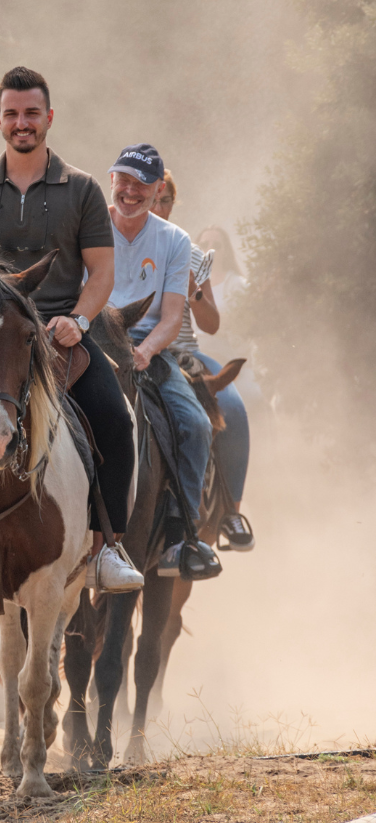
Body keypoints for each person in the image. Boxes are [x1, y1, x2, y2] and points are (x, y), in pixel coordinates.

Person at [0, 66, 143, 594]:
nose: (21, 123)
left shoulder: (85, 190)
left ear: (48, 117)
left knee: (116, 422)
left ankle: (106, 548)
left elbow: (102, 274)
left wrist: (78, 319)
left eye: (31, 113)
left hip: (59, 338)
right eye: (12, 114)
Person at [106, 146, 220, 578]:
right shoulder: (90, 221)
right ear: (111, 180)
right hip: (94, 340)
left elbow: (174, 316)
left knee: (197, 424)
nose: (130, 191)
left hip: (147, 349)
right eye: (124, 181)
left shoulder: (175, 241)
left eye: (141, 184)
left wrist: (145, 351)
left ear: (157, 191)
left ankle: (181, 535)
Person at [151, 180, 254, 550]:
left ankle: (230, 512)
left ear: (174, 202)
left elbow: (211, 324)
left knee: (233, 408)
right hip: (134, 349)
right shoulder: (117, 244)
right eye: (152, 199)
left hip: (186, 351)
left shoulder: (192, 252)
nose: (158, 207)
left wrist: (194, 289)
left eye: (165, 200)